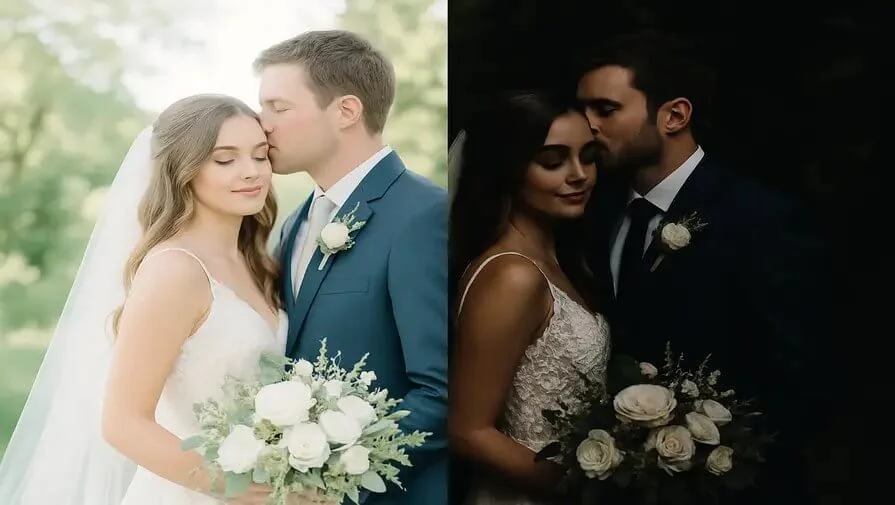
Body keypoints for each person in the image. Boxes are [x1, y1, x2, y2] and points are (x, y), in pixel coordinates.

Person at [0, 94, 317, 504]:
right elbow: (122, 422)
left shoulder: (258, 261)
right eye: (225, 160)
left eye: (260, 156)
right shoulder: (175, 271)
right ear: (183, 169)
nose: (251, 172)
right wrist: (243, 489)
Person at [576, 30, 833, 504]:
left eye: (606, 109)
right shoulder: (594, 211)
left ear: (674, 115)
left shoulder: (760, 219)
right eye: (583, 109)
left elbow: (800, 378)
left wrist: (718, 461)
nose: (586, 124)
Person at [256, 30, 449, 505]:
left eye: (277, 108)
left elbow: (444, 391)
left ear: (345, 111)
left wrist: (335, 478)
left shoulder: (424, 215)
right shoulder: (295, 223)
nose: (262, 126)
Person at [448, 89, 610, 505]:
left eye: (588, 156)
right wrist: (586, 487)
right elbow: (468, 431)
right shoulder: (512, 275)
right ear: (509, 169)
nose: (579, 174)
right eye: (553, 161)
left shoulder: (561, 258)